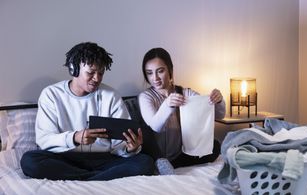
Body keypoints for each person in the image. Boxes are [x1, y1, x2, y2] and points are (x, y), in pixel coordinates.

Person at [20, 42, 154, 181]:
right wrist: (74, 138)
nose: (96, 78)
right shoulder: (51, 95)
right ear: (74, 69)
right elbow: (44, 140)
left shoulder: (111, 96)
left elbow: (118, 146)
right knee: (30, 160)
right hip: (64, 158)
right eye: (91, 73)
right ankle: (99, 179)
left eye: (101, 73)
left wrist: (130, 148)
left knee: (145, 162)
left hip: (104, 160)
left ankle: (84, 179)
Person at [138, 47, 226, 174]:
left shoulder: (185, 93)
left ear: (170, 70)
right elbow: (155, 126)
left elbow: (219, 115)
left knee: (215, 146)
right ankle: (159, 162)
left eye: (160, 71)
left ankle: (173, 164)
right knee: (145, 139)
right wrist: (167, 104)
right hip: (155, 153)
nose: (155, 78)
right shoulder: (145, 97)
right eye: (150, 73)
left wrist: (217, 100)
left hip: (180, 153)